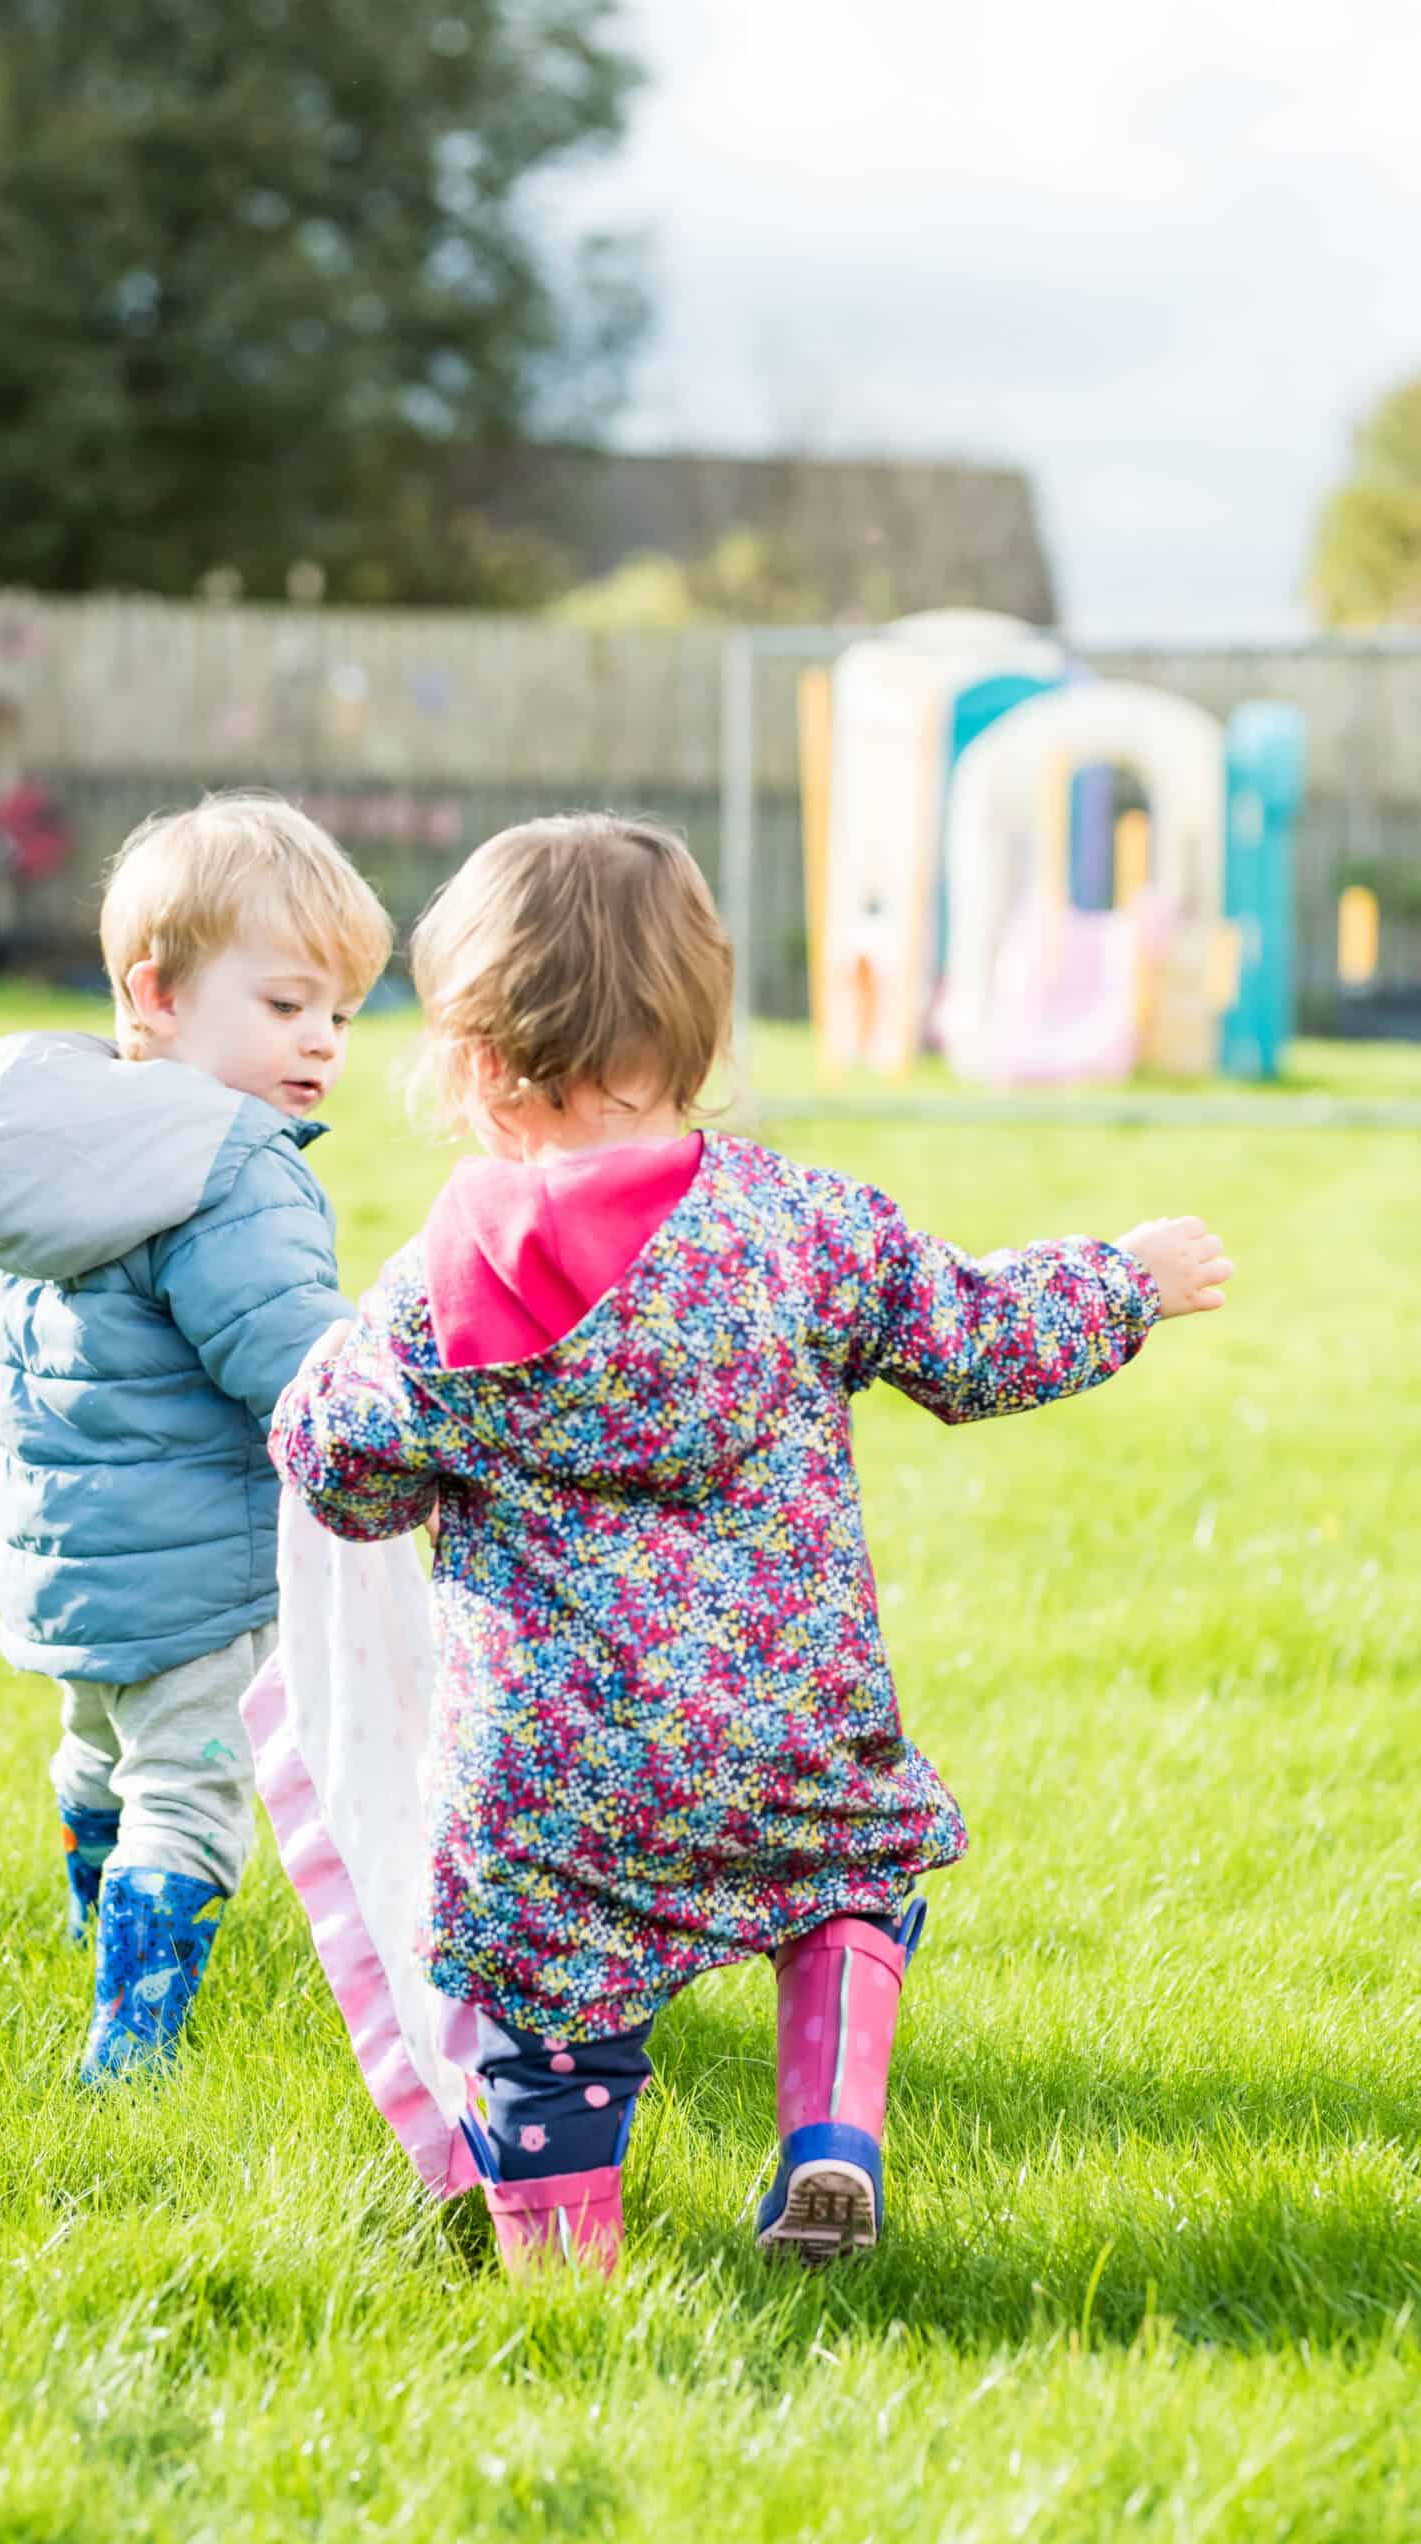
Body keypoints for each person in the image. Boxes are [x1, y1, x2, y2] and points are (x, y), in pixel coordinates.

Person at [275, 813, 1232, 2270]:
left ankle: (563, 2275)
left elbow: (349, 1478)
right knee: (852, 1876)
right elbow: (971, 1342)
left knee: (547, 2002)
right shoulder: (799, 1227)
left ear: (476, 1062)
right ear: (702, 1034)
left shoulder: (439, 1291)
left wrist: (316, 1397)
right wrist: (1122, 1281)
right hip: (789, 1731)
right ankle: (830, 2143)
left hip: (555, 1773)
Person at [0, 792, 391, 2084]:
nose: (324, 1044)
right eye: (290, 1005)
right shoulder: (232, 1168)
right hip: (197, 1579)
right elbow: (294, 1359)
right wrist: (395, 1427)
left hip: (60, 1554)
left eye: (343, 1015)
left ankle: (91, 1918)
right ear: (159, 994)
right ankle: (130, 2052)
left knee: (96, 1744)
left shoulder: (32, 1160)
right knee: (188, 1791)